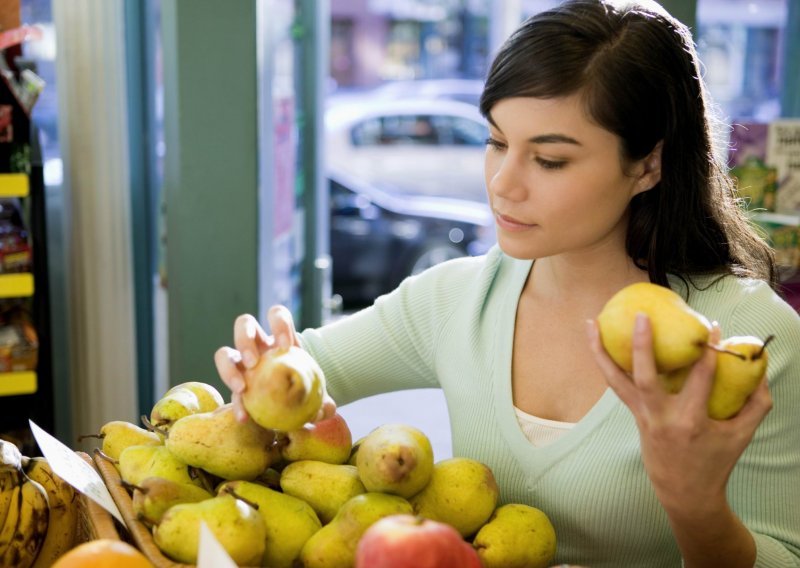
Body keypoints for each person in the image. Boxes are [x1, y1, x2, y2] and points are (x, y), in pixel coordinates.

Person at [216, 1, 800, 566]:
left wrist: (693, 502)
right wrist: (264, 370)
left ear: (648, 164)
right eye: (495, 142)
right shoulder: (455, 300)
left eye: (549, 160)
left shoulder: (751, 343)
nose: (502, 183)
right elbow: (308, 371)